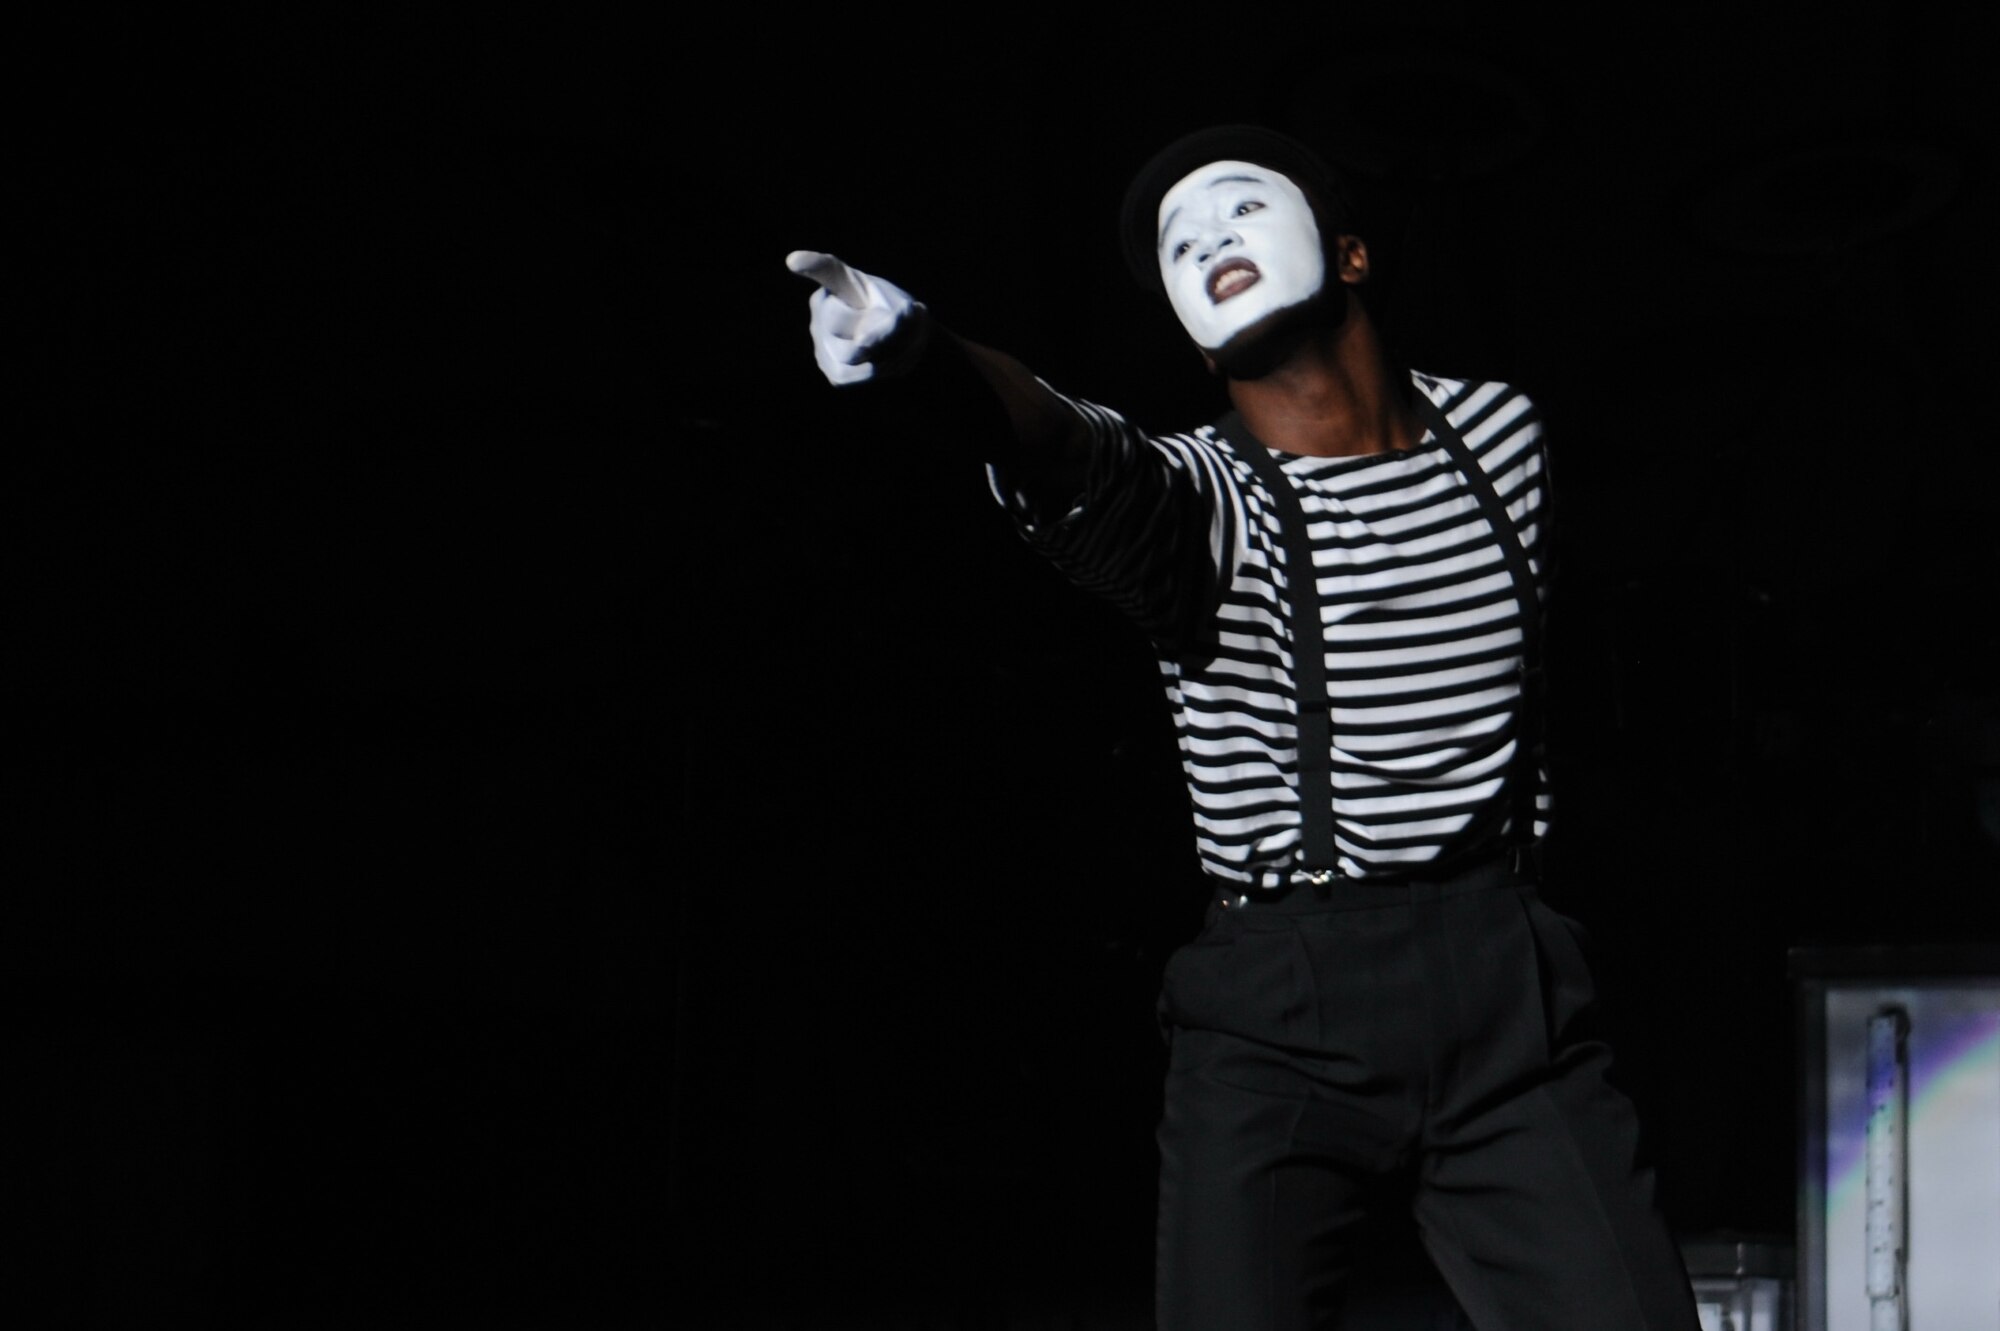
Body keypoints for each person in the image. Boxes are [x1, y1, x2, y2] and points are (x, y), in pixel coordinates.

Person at [785, 123, 1701, 1331]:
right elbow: (1073, 451)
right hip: (1283, 1009)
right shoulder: (1201, 497)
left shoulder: (1501, 437)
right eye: (1176, 243)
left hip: (1506, 990)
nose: (1206, 237)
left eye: (1235, 208)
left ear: (1354, 255)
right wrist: (935, 361)